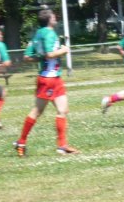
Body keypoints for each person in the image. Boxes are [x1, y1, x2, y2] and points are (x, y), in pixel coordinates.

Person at [13, 9, 79, 155]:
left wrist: (42, 58)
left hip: (53, 77)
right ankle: (21, 142)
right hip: (49, 78)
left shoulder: (37, 34)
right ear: (49, 19)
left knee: (62, 110)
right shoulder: (49, 33)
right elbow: (49, 54)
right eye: (54, 16)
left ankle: (62, 145)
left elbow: (27, 57)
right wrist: (64, 50)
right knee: (37, 111)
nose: (56, 18)